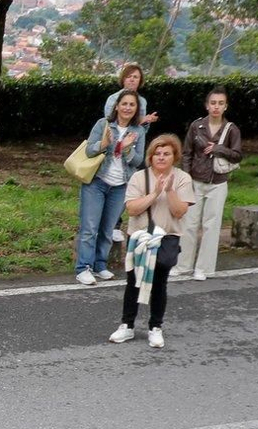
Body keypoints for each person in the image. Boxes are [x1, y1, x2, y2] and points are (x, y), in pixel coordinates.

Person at [108, 134, 195, 349]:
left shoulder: (182, 178)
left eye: (166, 154)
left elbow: (179, 211)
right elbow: (132, 208)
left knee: (160, 279)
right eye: (157, 153)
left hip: (167, 235)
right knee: (133, 281)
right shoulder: (140, 178)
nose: (161, 158)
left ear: (174, 156)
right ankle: (127, 325)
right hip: (140, 235)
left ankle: (155, 327)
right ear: (150, 156)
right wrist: (155, 193)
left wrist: (170, 190)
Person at [75, 90, 144, 285]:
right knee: (89, 228)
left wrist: (128, 148)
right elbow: (89, 150)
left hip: (120, 185)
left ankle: (99, 265)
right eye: (124, 104)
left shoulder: (138, 131)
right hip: (97, 182)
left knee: (107, 229)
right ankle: (83, 268)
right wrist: (104, 144)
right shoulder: (103, 124)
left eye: (132, 105)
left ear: (136, 109)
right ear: (116, 106)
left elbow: (138, 161)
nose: (127, 108)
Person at [177, 87, 243, 282]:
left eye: (220, 103)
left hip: (218, 182)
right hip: (195, 180)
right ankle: (183, 265)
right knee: (189, 223)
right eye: (213, 103)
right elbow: (187, 153)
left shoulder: (231, 129)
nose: (216, 107)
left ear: (225, 106)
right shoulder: (196, 126)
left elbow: (238, 155)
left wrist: (219, 149)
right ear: (207, 105)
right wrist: (186, 178)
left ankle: (204, 268)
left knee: (211, 226)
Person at [102, 63, 160, 248]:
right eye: (129, 76)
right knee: (111, 184)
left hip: (135, 147)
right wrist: (142, 120)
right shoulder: (113, 98)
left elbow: (141, 128)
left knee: (131, 185)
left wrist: (147, 122)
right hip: (114, 147)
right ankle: (110, 224)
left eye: (136, 77)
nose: (133, 80)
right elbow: (109, 120)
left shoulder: (142, 101)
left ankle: (120, 224)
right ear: (123, 79)